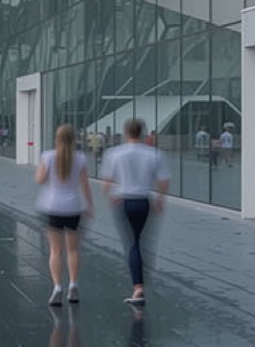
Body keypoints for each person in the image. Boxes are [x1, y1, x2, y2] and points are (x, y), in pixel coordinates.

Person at [101, 119, 170, 305]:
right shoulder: (154, 154)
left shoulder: (115, 153)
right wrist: (161, 199)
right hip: (144, 201)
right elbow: (163, 181)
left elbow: (107, 181)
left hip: (123, 201)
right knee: (143, 241)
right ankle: (142, 278)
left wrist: (111, 196)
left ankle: (138, 286)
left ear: (126, 133)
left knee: (131, 243)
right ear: (142, 133)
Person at [35, 123, 94, 305]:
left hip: (52, 207)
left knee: (55, 250)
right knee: (73, 250)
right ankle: (73, 285)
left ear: (57, 138)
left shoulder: (48, 156)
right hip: (73, 207)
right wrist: (90, 205)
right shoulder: (81, 158)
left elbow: (40, 180)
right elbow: (85, 184)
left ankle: (57, 287)